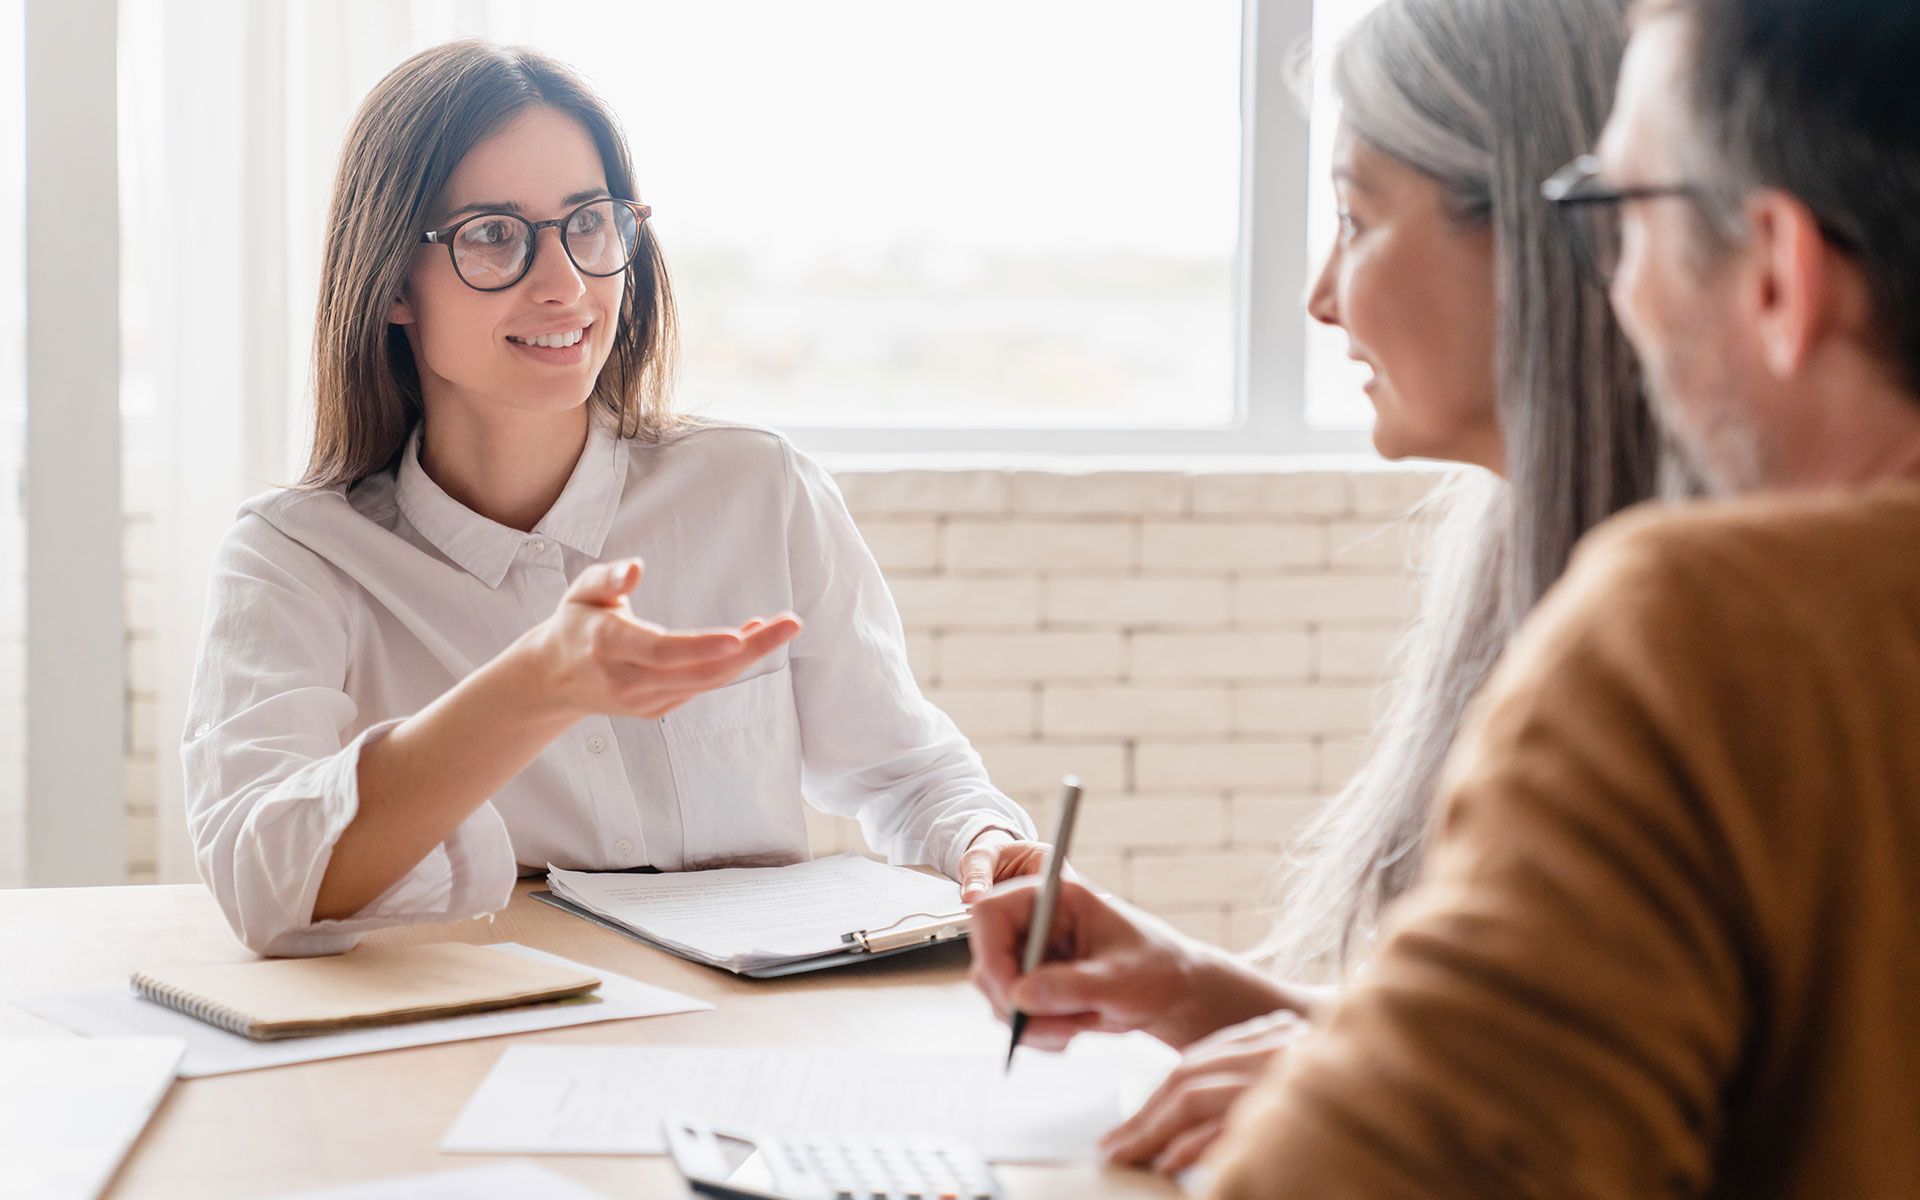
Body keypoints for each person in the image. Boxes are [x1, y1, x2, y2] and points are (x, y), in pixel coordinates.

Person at [976, 0, 1920, 1192]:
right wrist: (1244, 1008)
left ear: (1781, 272)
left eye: (1616, 216)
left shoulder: (1704, 634)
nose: (1615, 286)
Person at [183, 41, 1044, 959]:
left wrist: (981, 841)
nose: (564, 285)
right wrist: (534, 687)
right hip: (475, 1041)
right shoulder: (296, 556)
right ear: (392, 282)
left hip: (736, 1037)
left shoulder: (757, 489)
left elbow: (908, 772)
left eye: (587, 223)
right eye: (491, 234)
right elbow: (261, 880)